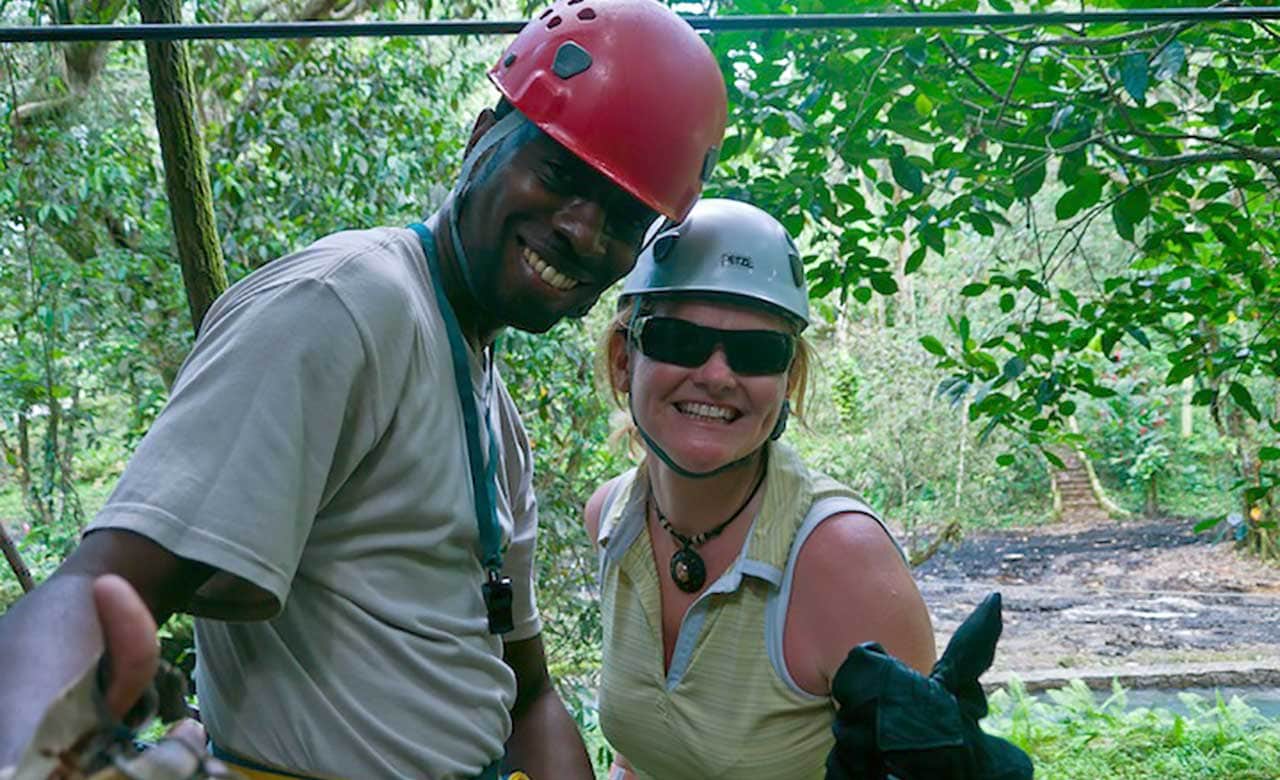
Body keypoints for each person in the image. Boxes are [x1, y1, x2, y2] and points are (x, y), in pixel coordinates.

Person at [0, 1, 727, 777]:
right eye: (557, 173)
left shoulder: (487, 402)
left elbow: (527, 691)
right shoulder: (344, 305)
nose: (584, 232)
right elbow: (100, 586)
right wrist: (21, 752)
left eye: (623, 218)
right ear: (482, 139)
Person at [584, 198, 936, 780]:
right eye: (678, 339)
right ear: (625, 360)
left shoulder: (841, 560)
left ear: (787, 381)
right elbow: (641, 756)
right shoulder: (613, 520)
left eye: (756, 353)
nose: (718, 376)